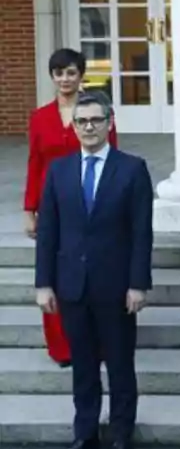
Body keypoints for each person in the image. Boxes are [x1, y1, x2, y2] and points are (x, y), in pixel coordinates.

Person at [34, 91, 153, 449]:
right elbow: (49, 232)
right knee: (83, 366)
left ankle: (121, 437)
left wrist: (138, 284)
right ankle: (84, 434)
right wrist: (43, 284)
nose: (89, 127)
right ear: (74, 125)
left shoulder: (132, 169)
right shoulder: (59, 170)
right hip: (71, 285)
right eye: (82, 121)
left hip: (116, 287)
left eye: (96, 120)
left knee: (120, 366)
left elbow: (141, 233)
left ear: (110, 122)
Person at [24, 48, 118, 367]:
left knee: (90, 271)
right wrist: (29, 209)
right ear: (52, 77)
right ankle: (62, 347)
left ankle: (98, 341)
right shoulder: (40, 117)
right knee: (55, 270)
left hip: (89, 202)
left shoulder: (96, 112)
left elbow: (112, 157)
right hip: (53, 206)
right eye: (59, 73)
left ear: (81, 76)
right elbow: (35, 163)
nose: (65, 79)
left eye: (71, 73)